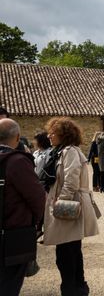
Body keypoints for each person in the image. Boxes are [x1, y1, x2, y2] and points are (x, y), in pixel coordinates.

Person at [43, 117, 99, 296]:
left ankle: (72, 289)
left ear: (64, 135)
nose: (49, 136)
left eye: (53, 133)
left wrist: (62, 202)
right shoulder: (60, 151)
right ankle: (77, 287)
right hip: (68, 202)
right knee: (70, 249)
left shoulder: (69, 151)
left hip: (69, 204)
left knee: (67, 252)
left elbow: (71, 179)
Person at [0, 119, 46, 296]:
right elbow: (37, 198)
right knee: (8, 285)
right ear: (18, 137)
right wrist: (35, 223)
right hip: (13, 235)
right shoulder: (17, 162)